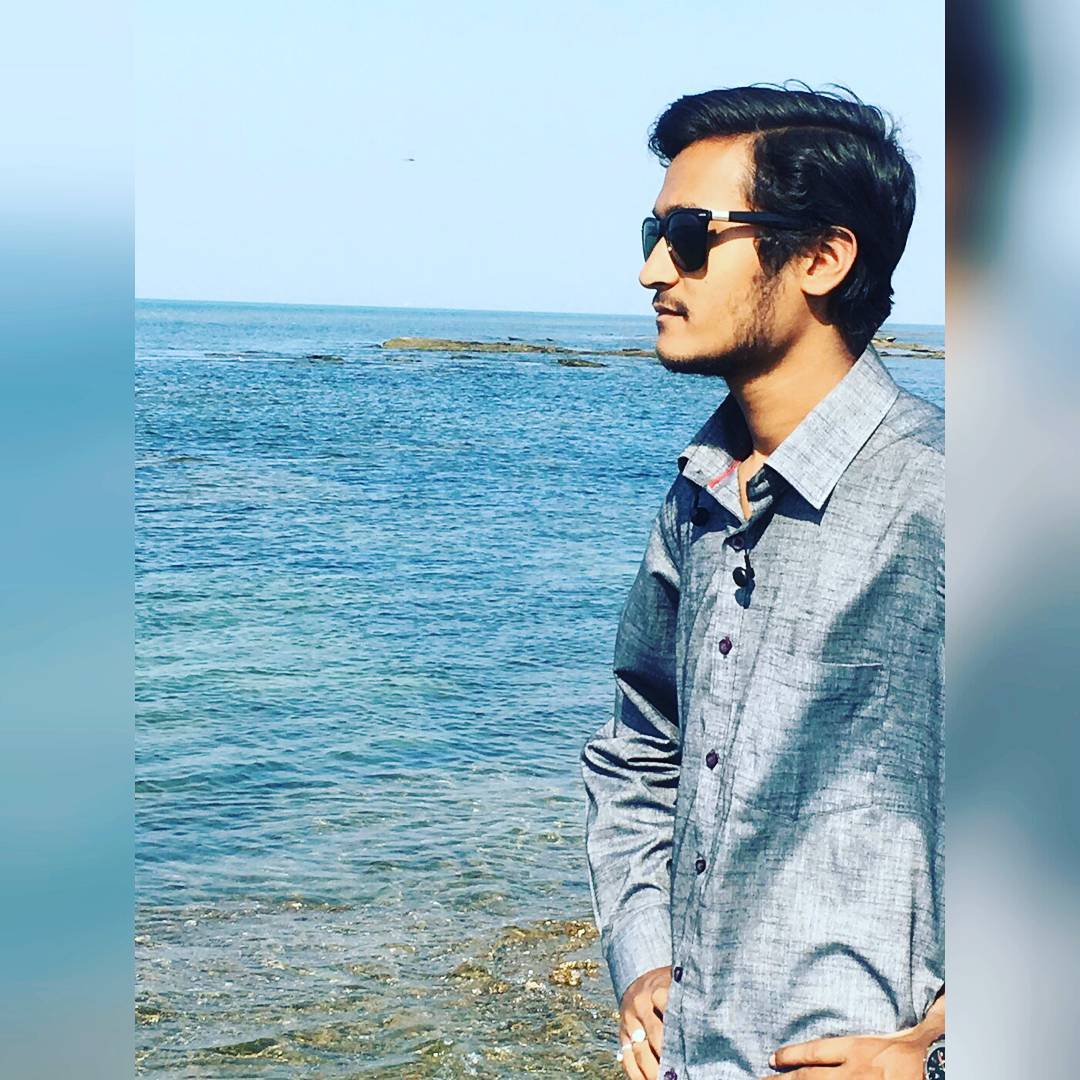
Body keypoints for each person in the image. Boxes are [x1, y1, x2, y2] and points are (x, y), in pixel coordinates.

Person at [580, 85, 945, 1080]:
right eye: (655, 233)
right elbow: (638, 749)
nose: (653, 268)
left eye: (691, 237)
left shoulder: (954, 494)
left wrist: (936, 1047)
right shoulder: (698, 493)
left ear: (823, 257)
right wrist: (643, 954)